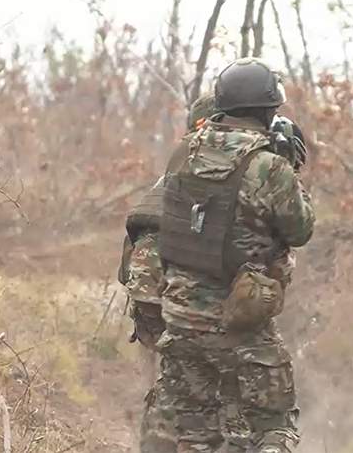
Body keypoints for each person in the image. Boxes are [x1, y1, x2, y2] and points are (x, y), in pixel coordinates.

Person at [153, 57, 314, 453]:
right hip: (239, 322)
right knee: (274, 428)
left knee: (194, 435)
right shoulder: (268, 166)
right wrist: (290, 169)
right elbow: (300, 229)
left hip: (180, 319)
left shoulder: (183, 152)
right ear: (266, 110)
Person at [120, 92, 222, 452]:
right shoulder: (210, 169)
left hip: (150, 295)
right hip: (172, 296)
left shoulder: (177, 168)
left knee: (168, 386)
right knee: (189, 389)